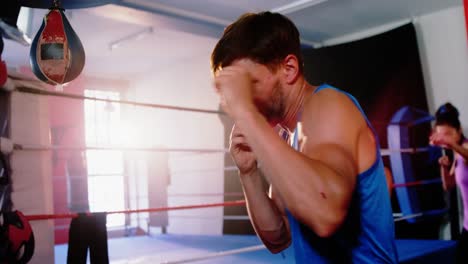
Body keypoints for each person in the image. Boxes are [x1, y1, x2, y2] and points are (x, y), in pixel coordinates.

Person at [211, 12, 397, 263]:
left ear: (289, 69)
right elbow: (278, 238)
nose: (240, 99)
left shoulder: (329, 105)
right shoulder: (287, 139)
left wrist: (246, 112)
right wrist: (249, 173)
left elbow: (325, 214)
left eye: (249, 84)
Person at [429, 102, 468, 264]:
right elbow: (449, 185)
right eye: (441, 135)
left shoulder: (464, 146)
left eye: (448, 134)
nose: (444, 140)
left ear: (459, 131)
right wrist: (444, 168)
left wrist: (452, 144)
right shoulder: (455, 154)